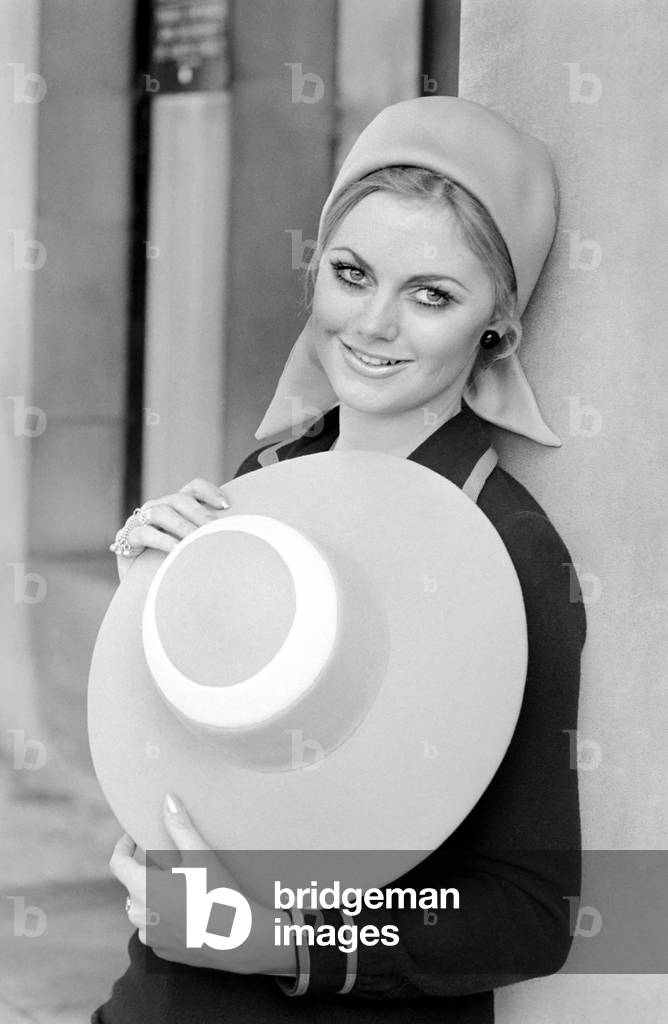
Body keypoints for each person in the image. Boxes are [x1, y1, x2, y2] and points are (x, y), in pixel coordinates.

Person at [93, 97, 587, 1024]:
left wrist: (280, 944)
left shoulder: (511, 549)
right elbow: (199, 797)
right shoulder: (263, 481)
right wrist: (150, 605)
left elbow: (532, 914)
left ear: (497, 326)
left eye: (432, 295)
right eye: (352, 274)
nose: (374, 324)